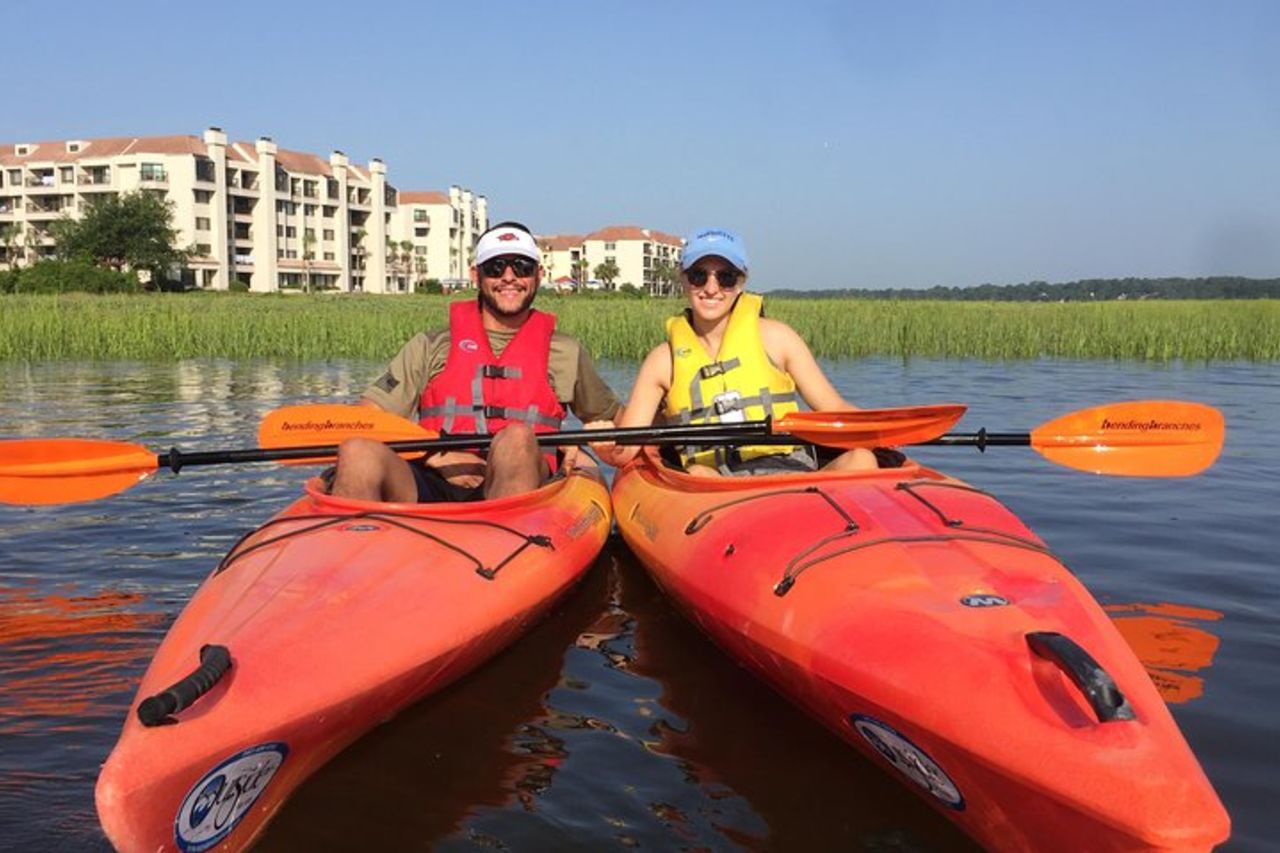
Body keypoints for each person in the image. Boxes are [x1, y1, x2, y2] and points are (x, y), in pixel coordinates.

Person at [330, 221, 622, 502]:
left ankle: (507, 543)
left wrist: (578, 439)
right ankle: (352, 543)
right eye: (496, 267)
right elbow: (369, 418)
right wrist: (436, 454)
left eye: (521, 266)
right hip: (433, 480)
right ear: (475, 275)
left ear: (538, 274)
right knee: (358, 452)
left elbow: (616, 417)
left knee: (517, 440)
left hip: (523, 483)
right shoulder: (430, 346)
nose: (509, 276)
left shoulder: (565, 352)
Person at [595, 227, 886, 476]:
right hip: (716, 483)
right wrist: (604, 446)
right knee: (699, 472)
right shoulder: (662, 361)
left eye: (725, 277)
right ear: (683, 279)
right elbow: (626, 450)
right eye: (698, 275)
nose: (711, 288)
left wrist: (885, 430)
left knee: (862, 459)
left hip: (792, 473)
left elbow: (834, 409)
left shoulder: (778, 337)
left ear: (741, 282)